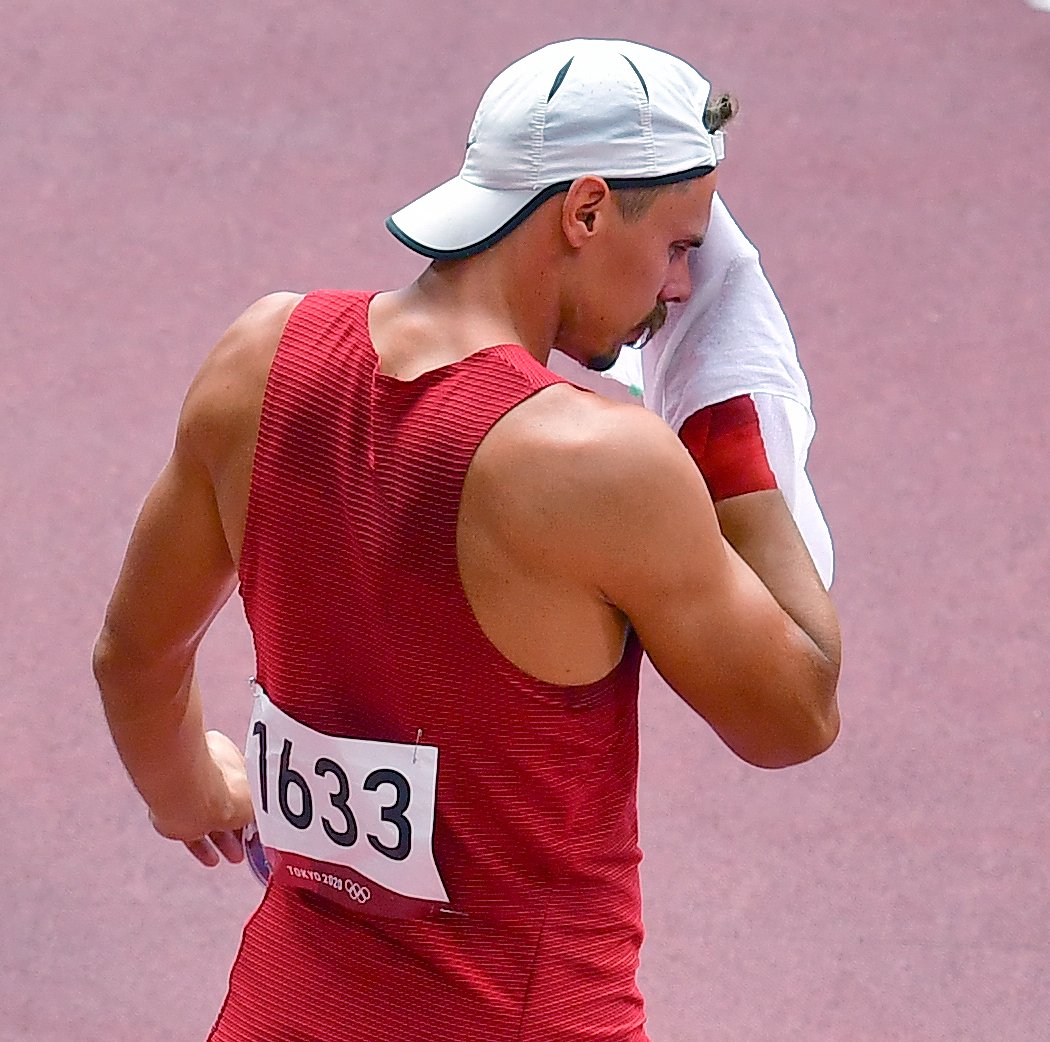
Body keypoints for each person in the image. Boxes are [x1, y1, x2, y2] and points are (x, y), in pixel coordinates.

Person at [93, 38, 840, 1042]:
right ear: (584, 212)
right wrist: (727, 406)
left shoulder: (259, 357)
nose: (678, 290)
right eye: (677, 247)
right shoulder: (597, 462)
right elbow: (796, 712)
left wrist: (189, 790)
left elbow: (133, 656)